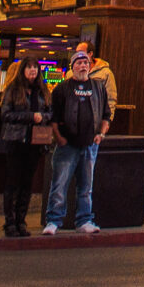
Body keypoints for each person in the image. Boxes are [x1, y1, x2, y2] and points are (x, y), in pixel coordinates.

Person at [44, 47, 113, 234]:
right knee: (59, 184)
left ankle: (84, 220)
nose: (83, 66)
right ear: (72, 67)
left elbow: (107, 114)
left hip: (90, 144)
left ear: (90, 66)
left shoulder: (98, 87)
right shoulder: (62, 89)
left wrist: (101, 134)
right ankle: (53, 221)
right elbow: (53, 117)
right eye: (79, 63)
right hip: (67, 145)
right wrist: (58, 138)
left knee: (86, 186)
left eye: (85, 63)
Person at [0, 60, 50, 239]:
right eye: (29, 67)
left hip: (35, 142)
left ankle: (21, 220)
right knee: (13, 182)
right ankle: (9, 222)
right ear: (22, 70)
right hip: (15, 140)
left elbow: (51, 113)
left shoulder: (42, 91)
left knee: (27, 183)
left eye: (35, 67)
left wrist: (42, 117)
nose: (32, 70)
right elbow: (5, 114)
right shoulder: (14, 89)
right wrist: (29, 117)